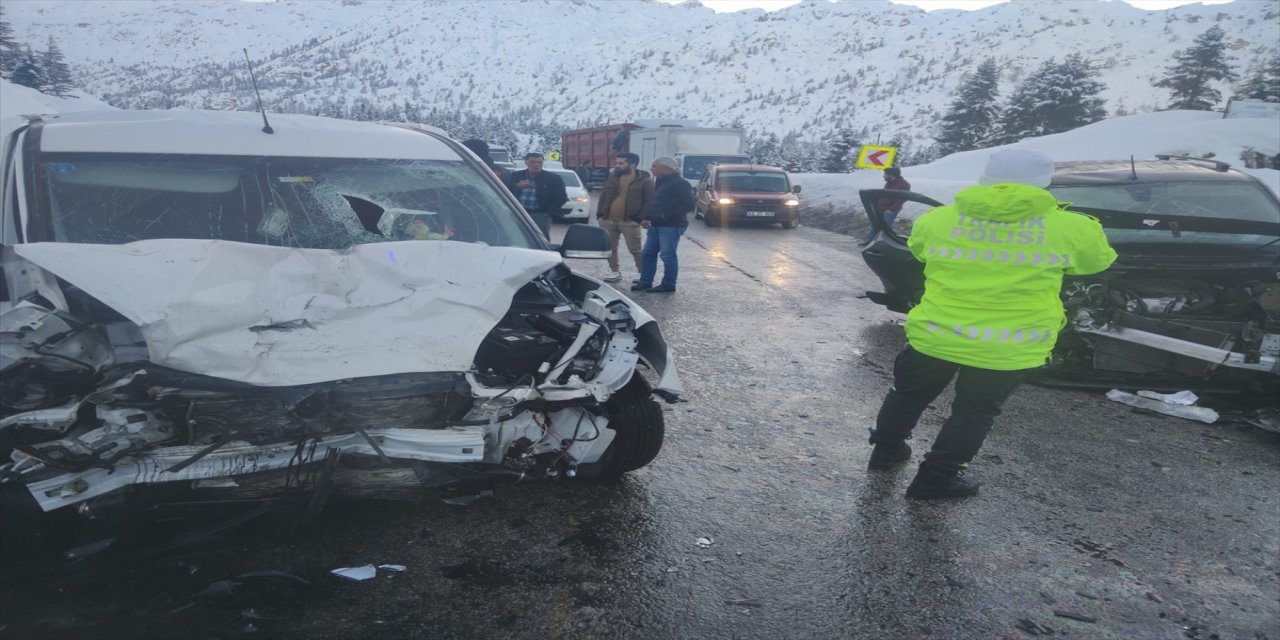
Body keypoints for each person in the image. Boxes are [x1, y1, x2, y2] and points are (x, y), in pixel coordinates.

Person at [865, 148, 1116, 499]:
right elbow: (1096, 264)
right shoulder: (1074, 227)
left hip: (936, 333)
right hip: (1009, 344)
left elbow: (919, 252)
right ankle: (935, 479)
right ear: (1044, 182)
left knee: (908, 394)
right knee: (975, 412)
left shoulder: (939, 219)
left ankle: (885, 452)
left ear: (986, 178)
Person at [632, 157, 693, 294]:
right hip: (655, 224)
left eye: (654, 166)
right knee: (648, 253)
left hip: (671, 225)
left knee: (667, 255)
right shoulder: (660, 181)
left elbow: (688, 205)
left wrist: (667, 216)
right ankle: (645, 281)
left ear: (665, 168)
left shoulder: (681, 183)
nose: (651, 169)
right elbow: (655, 202)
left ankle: (668, 284)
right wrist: (647, 217)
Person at [596, 152, 654, 283]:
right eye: (616, 163)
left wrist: (639, 218)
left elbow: (649, 201)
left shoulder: (645, 181)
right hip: (608, 220)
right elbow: (604, 196)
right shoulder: (613, 178)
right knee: (610, 248)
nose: (617, 165)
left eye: (621, 163)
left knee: (635, 249)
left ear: (633, 164)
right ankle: (614, 271)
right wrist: (600, 214)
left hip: (629, 221)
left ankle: (642, 273)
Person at [505, 152, 567, 240]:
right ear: (526, 162)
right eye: (533, 162)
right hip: (518, 212)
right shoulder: (515, 176)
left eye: (539, 162)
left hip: (540, 214)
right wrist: (517, 187)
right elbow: (504, 191)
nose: (536, 165)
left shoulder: (553, 178)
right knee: (515, 237)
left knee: (540, 238)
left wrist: (548, 213)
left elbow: (561, 197)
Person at [862, 167, 910, 246]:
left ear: (892, 175)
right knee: (875, 225)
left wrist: (892, 209)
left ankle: (881, 244)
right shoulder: (889, 182)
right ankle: (870, 241)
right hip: (881, 208)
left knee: (886, 227)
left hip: (891, 210)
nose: (883, 176)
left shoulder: (904, 184)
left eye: (885, 174)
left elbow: (902, 199)